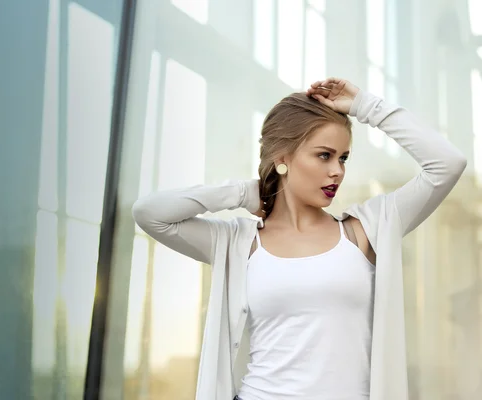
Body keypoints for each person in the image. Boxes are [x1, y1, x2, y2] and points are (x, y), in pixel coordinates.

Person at [132, 78, 467, 400]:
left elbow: (447, 164)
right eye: (324, 155)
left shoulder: (364, 230)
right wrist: (246, 192)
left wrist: (366, 106)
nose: (337, 170)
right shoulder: (239, 242)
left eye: (343, 158)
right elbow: (151, 213)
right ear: (283, 158)